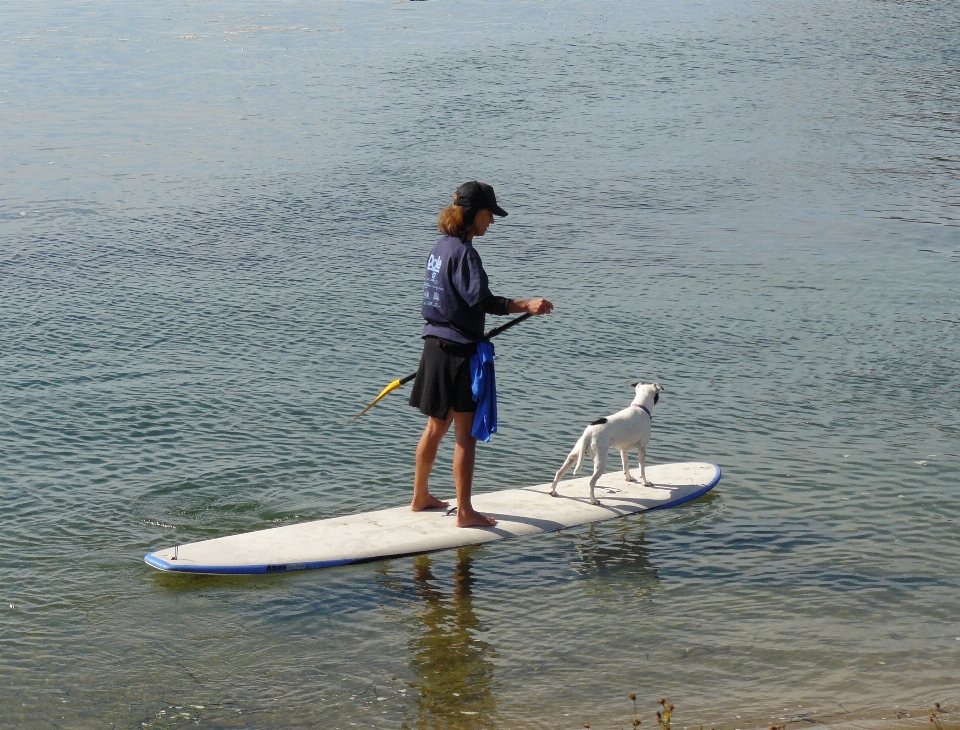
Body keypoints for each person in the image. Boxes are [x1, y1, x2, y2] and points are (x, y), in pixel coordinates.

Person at [409, 181, 553, 527]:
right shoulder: (466, 253)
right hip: (458, 353)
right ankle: (465, 512)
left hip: (433, 346)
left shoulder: (439, 248)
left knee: (435, 427)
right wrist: (525, 305)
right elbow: (481, 301)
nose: (492, 221)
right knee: (465, 434)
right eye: (489, 214)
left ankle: (419, 497)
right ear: (472, 214)